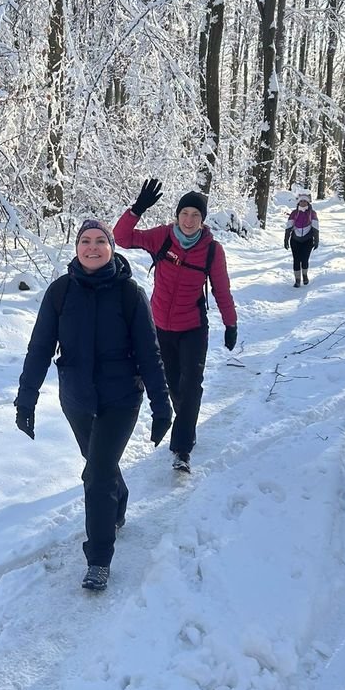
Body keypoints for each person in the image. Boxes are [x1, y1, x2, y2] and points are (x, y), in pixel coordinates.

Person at [14, 219, 172, 591]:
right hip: (77, 399)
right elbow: (39, 349)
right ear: (76, 248)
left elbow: (149, 353)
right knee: (100, 464)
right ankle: (118, 501)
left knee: (96, 475)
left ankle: (99, 559)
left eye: (101, 241)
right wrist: (26, 399)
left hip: (121, 398)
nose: (92, 247)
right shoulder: (60, 292)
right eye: (85, 241)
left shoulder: (129, 294)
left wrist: (161, 404)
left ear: (112, 248)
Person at [113, 181, 237, 474]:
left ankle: (182, 449)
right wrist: (137, 209)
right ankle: (186, 418)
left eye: (196, 215)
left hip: (193, 327)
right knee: (174, 387)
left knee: (191, 385)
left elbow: (221, 289)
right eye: (185, 213)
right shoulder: (162, 237)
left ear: (203, 220)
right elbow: (122, 238)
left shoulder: (211, 250)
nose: (189, 220)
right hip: (159, 328)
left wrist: (230, 323)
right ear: (177, 215)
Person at [284, 190, 320, 286]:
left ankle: (304, 275)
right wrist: (286, 239)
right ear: (298, 202)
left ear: (308, 202)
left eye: (305, 201)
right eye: (301, 201)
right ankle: (297, 280)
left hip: (308, 240)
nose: (303, 203)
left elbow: (315, 227)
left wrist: (316, 240)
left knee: (304, 259)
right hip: (295, 240)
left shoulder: (312, 213)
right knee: (296, 260)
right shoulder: (294, 213)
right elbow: (288, 227)